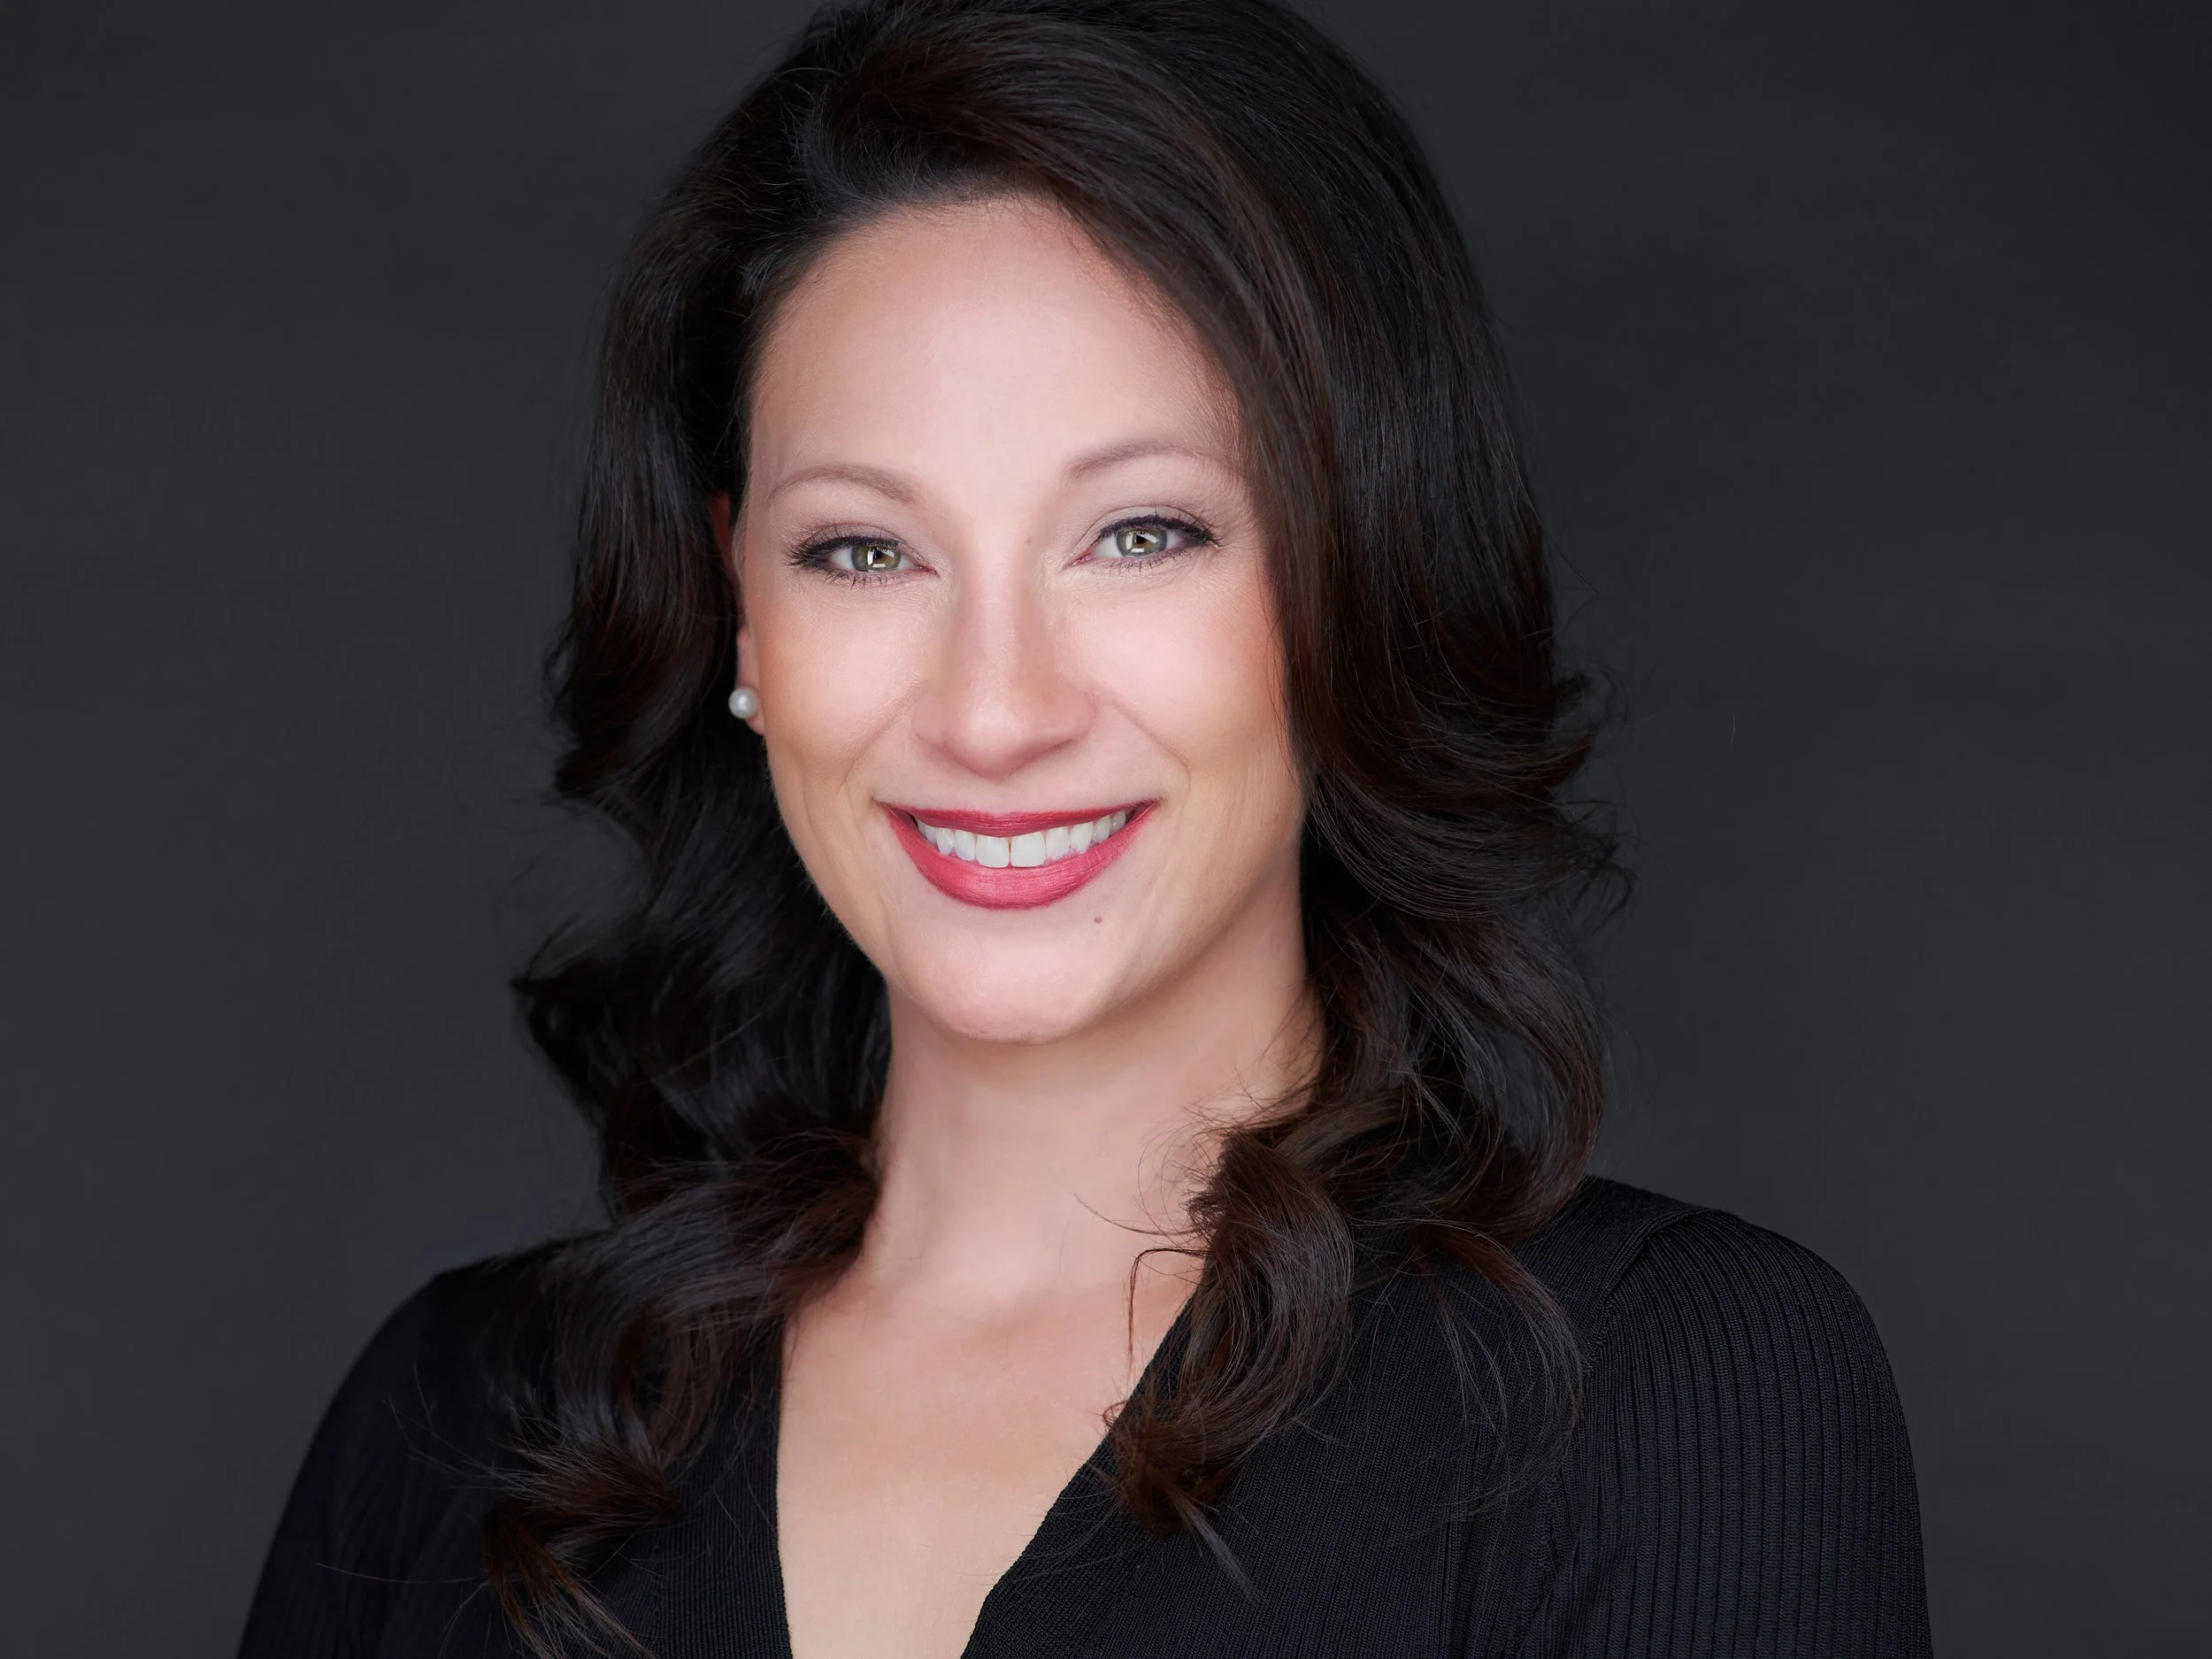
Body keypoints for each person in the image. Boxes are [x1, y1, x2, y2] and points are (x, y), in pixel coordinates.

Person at [240, 1, 1931, 1655]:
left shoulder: (1663, 1389)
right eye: (863, 550)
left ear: (1356, 576)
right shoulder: (453, 1420)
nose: (993, 710)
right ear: (740, 607)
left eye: (1140, 533)